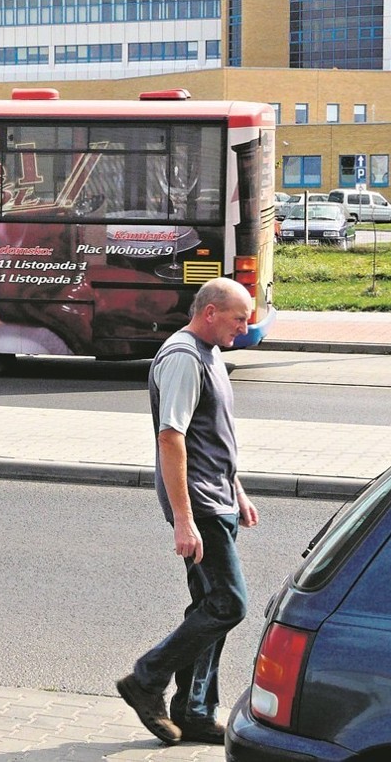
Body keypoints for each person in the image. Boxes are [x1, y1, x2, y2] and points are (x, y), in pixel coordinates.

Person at [117, 277, 259, 746]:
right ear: (212, 311)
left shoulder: (211, 352)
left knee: (209, 606)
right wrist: (184, 518)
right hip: (197, 503)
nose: (245, 327)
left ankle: (195, 711)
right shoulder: (183, 357)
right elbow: (171, 437)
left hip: (218, 496)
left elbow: (210, 434)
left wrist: (236, 487)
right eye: (240, 318)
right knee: (228, 604)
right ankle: (147, 678)